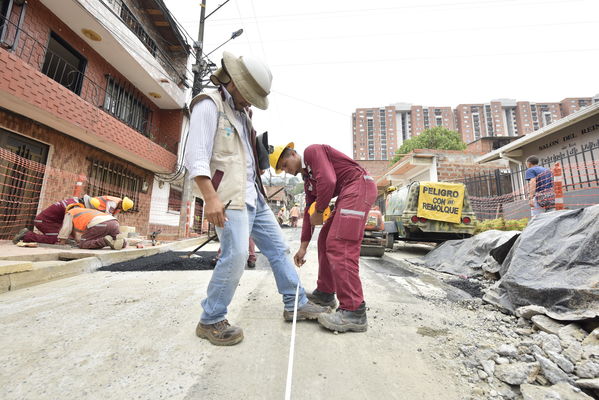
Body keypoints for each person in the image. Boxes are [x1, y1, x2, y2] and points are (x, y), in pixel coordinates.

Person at [183, 51, 329, 346]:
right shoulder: (208, 105)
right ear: (234, 83)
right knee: (236, 255)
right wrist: (210, 198)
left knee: (278, 249)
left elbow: (247, 160)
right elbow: (195, 156)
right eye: (248, 95)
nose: (250, 102)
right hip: (229, 199)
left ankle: (296, 303)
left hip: (255, 197)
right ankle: (210, 319)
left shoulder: (242, 115)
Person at [271, 143, 377, 333]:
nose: (287, 171)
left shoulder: (312, 152)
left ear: (294, 154)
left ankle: (354, 310)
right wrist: (303, 247)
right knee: (325, 239)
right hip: (349, 191)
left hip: (358, 185)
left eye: (285, 164)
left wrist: (320, 210)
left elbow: (328, 180)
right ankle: (326, 293)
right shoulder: (309, 181)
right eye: (283, 170)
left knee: (340, 244)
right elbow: (309, 213)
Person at [13, 197, 84, 244]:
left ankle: (26, 234)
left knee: (61, 237)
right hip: (45, 222)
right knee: (55, 240)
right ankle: (26, 236)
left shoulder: (73, 201)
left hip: (49, 221)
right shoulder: (74, 207)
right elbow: (69, 225)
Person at [57, 206, 126, 250]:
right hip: (114, 222)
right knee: (116, 237)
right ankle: (123, 243)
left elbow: (66, 228)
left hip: (100, 224)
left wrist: (62, 242)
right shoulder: (86, 211)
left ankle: (104, 241)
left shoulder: (70, 213)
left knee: (83, 244)